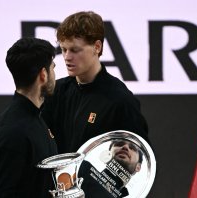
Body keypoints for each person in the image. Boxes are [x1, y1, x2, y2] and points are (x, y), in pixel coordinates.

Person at [42, 11, 150, 154]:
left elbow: (140, 157)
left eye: (75, 50)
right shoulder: (55, 91)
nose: (67, 57)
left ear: (97, 47)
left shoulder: (120, 100)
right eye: (63, 49)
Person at [0, 37, 58, 197]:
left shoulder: (36, 118)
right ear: (43, 75)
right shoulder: (12, 133)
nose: (55, 75)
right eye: (53, 68)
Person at [78, 140, 143, 198]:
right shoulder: (83, 167)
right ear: (108, 154)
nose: (125, 147)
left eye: (132, 148)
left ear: (138, 167)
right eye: (119, 144)